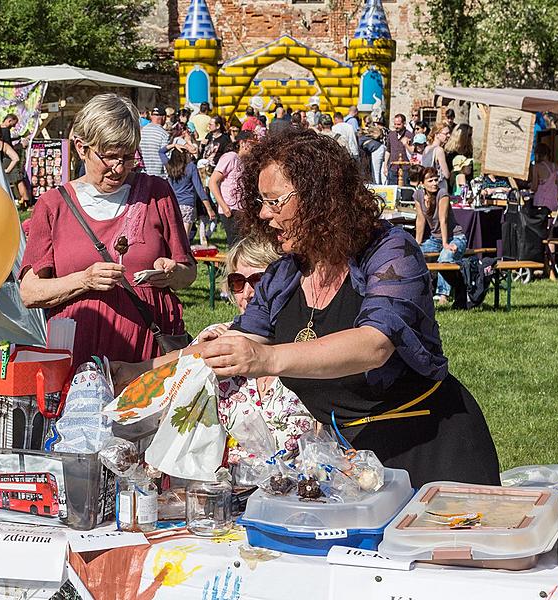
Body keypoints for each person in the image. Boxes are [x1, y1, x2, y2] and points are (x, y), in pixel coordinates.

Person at [115, 128, 500, 488]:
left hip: (432, 453)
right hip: (353, 462)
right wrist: (139, 371)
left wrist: (266, 358)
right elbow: (236, 343)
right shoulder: (286, 273)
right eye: (260, 203)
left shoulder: (390, 252)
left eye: (274, 202)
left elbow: (373, 346)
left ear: (319, 197)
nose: (264, 214)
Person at [19, 94, 196, 366]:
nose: (119, 168)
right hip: (78, 354)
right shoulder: (52, 205)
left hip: (150, 355)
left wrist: (172, 273)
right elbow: (29, 292)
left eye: (127, 158)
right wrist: (84, 280)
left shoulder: (155, 194)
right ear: (82, 148)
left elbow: (188, 272)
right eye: (110, 157)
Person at [196, 236, 315, 455]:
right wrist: (201, 363)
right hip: (226, 482)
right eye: (238, 282)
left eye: (259, 280)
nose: (249, 294)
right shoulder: (214, 338)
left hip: (299, 482)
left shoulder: (309, 344)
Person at [415, 166, 467, 305]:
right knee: (414, 254)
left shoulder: (442, 194)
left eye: (435, 179)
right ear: (422, 183)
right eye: (430, 180)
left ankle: (443, 294)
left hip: (455, 237)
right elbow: (420, 220)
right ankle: (418, 292)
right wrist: (417, 243)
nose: (434, 183)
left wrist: (445, 244)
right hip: (434, 239)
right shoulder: (418, 195)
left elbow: (443, 219)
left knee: (445, 258)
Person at [209, 131, 256, 247]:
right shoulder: (230, 157)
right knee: (235, 244)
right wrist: (224, 207)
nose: (253, 148)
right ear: (242, 143)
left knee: (243, 244)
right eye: (251, 144)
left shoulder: (245, 161)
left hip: (241, 208)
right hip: (230, 209)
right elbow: (213, 182)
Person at [161, 145, 214, 237]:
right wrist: (209, 209)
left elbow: (161, 152)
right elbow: (199, 189)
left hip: (173, 204)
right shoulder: (191, 167)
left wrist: (174, 145)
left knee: (174, 237)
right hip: (187, 205)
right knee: (184, 238)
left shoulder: (169, 167)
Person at [139, 106, 169, 179]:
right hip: (159, 176)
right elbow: (166, 156)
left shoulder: (142, 131)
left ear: (151, 116)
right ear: (164, 117)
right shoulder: (164, 134)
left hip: (143, 173)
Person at [531, 142, 558, 211]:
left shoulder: (537, 167)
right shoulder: (555, 166)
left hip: (541, 203)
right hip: (553, 202)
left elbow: (534, 187)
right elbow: (556, 184)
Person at [385, 113, 411, 185]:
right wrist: (385, 166)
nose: (396, 126)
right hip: (392, 167)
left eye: (398, 124)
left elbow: (413, 152)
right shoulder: (391, 134)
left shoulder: (409, 135)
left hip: (406, 168)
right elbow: (388, 151)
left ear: (404, 123)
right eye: (395, 124)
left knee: (404, 191)